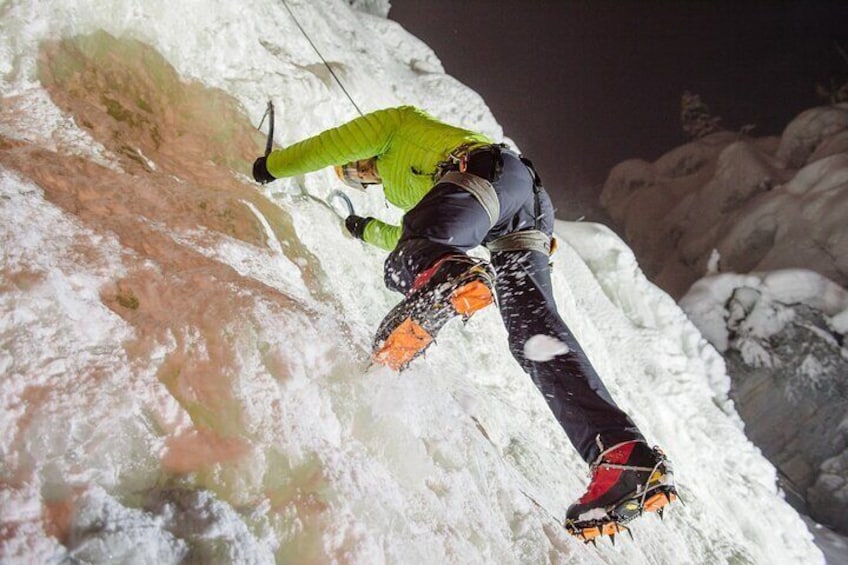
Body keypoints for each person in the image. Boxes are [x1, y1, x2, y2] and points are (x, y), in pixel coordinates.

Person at [252, 106, 675, 541]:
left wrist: (270, 167)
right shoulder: (417, 191)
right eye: (356, 179)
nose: (361, 175)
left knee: (419, 255)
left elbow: (331, 148)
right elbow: (423, 234)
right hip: (519, 210)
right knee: (534, 335)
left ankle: (448, 277)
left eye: (355, 169)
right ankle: (624, 456)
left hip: (489, 172)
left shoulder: (395, 128)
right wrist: (365, 229)